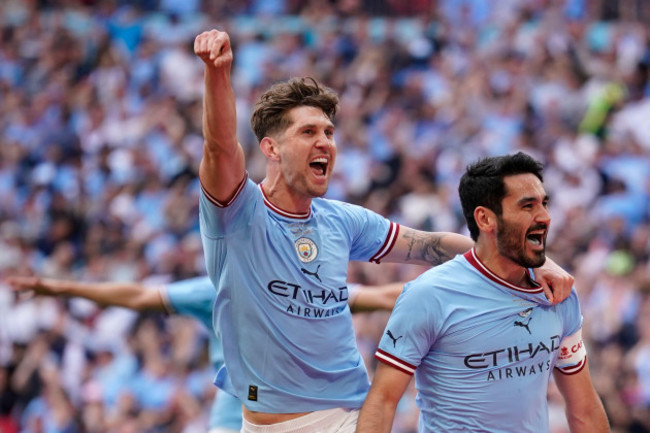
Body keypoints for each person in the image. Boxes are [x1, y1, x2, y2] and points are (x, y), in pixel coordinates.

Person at [193, 29, 574, 433]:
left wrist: (538, 262)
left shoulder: (341, 219)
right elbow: (219, 147)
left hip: (351, 417)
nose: (325, 142)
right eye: (308, 132)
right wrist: (217, 74)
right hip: (268, 422)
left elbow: (432, 246)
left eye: (329, 133)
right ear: (270, 149)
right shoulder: (238, 213)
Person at [355, 152, 610, 433]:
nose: (545, 217)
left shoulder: (557, 293)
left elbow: (584, 409)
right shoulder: (428, 295)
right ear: (485, 219)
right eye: (527, 206)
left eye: (544, 204)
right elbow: (383, 402)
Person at [5, 275, 405, 433]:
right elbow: (138, 295)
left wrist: (458, 284)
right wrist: (60, 289)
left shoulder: (301, 288)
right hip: (233, 420)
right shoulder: (214, 290)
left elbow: (380, 295)